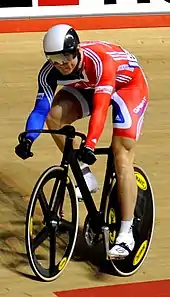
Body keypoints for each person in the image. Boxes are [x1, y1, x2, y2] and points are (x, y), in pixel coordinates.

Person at [15, 24, 149, 259]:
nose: (61, 64)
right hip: (90, 86)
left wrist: (90, 145)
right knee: (54, 116)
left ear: (76, 50)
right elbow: (40, 110)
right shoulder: (49, 72)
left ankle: (127, 233)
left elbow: (100, 110)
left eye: (65, 56)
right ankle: (85, 175)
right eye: (54, 59)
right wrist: (29, 137)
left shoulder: (99, 61)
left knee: (121, 153)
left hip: (128, 86)